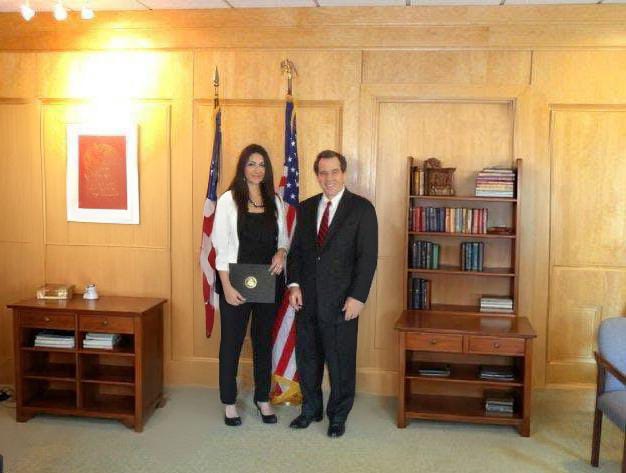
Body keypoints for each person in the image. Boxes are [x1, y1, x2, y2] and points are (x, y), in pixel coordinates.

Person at [287, 150, 378, 438]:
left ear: (344, 173)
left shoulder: (362, 209)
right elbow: (296, 253)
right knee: (308, 359)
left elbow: (367, 258)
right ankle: (310, 409)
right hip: (307, 301)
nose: (329, 178)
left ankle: (338, 416)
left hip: (342, 302)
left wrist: (358, 297)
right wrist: (294, 285)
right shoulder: (305, 208)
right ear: (317, 175)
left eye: (334, 171)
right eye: (323, 172)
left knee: (340, 363)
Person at [212, 144, 289, 427]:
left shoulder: (275, 200)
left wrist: (281, 252)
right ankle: (229, 402)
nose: (257, 170)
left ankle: (262, 398)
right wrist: (226, 286)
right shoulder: (228, 200)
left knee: (262, 342)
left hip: (267, 281)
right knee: (231, 343)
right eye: (251, 164)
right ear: (242, 168)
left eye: (262, 165)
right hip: (234, 282)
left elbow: (284, 238)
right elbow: (220, 246)